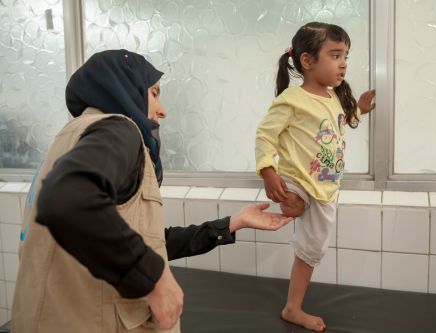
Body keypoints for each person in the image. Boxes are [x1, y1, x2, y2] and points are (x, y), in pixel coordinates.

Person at [11, 49, 293, 333]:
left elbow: (140, 241)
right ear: (123, 88)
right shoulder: (120, 130)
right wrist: (155, 278)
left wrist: (233, 223)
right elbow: (69, 200)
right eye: (155, 93)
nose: (162, 110)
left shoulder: (70, 136)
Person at [255, 22, 376, 332]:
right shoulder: (291, 100)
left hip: (326, 187)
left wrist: (359, 110)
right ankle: (293, 308)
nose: (344, 63)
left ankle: (292, 302)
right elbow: (265, 136)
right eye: (335, 55)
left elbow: (337, 122)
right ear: (307, 61)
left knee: (314, 250)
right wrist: (268, 173)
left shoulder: (334, 97)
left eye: (345, 55)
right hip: (296, 177)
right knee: (292, 203)